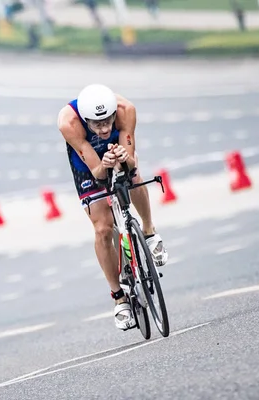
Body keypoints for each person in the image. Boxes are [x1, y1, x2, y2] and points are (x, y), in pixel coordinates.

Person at [57, 84, 169, 331]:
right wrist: (103, 165)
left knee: (134, 176)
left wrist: (121, 158)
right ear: (86, 120)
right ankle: (119, 297)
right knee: (103, 228)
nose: (105, 128)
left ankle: (149, 232)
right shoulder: (69, 122)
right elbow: (97, 172)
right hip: (86, 159)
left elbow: (129, 162)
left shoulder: (125, 110)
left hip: (119, 150)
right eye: (97, 124)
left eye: (108, 121)